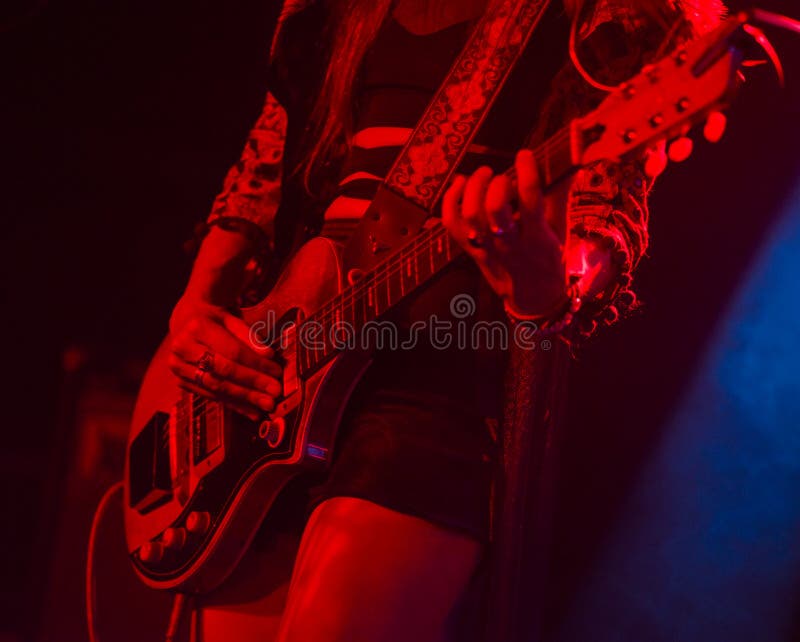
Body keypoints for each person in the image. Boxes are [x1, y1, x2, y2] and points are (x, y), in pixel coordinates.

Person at [165, 1, 723, 640]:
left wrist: (544, 276)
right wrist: (194, 308)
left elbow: (592, 237)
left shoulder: (611, 13)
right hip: (280, 369)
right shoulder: (331, 12)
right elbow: (270, 151)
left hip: (435, 381)